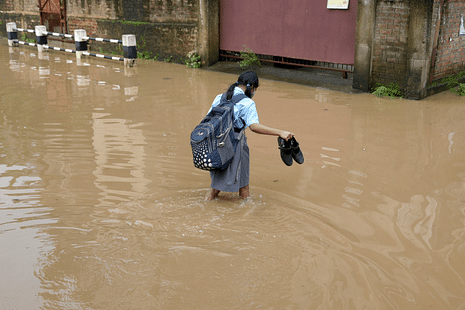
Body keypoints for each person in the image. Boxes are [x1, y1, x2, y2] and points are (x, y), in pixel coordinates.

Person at [204, 71, 294, 201]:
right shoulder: (247, 103)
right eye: (254, 89)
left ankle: (206, 205)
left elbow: (209, 120)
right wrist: (280, 132)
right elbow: (254, 127)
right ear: (251, 87)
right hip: (236, 145)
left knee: (214, 187)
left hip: (216, 145)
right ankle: (248, 215)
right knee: (244, 189)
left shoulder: (220, 97)